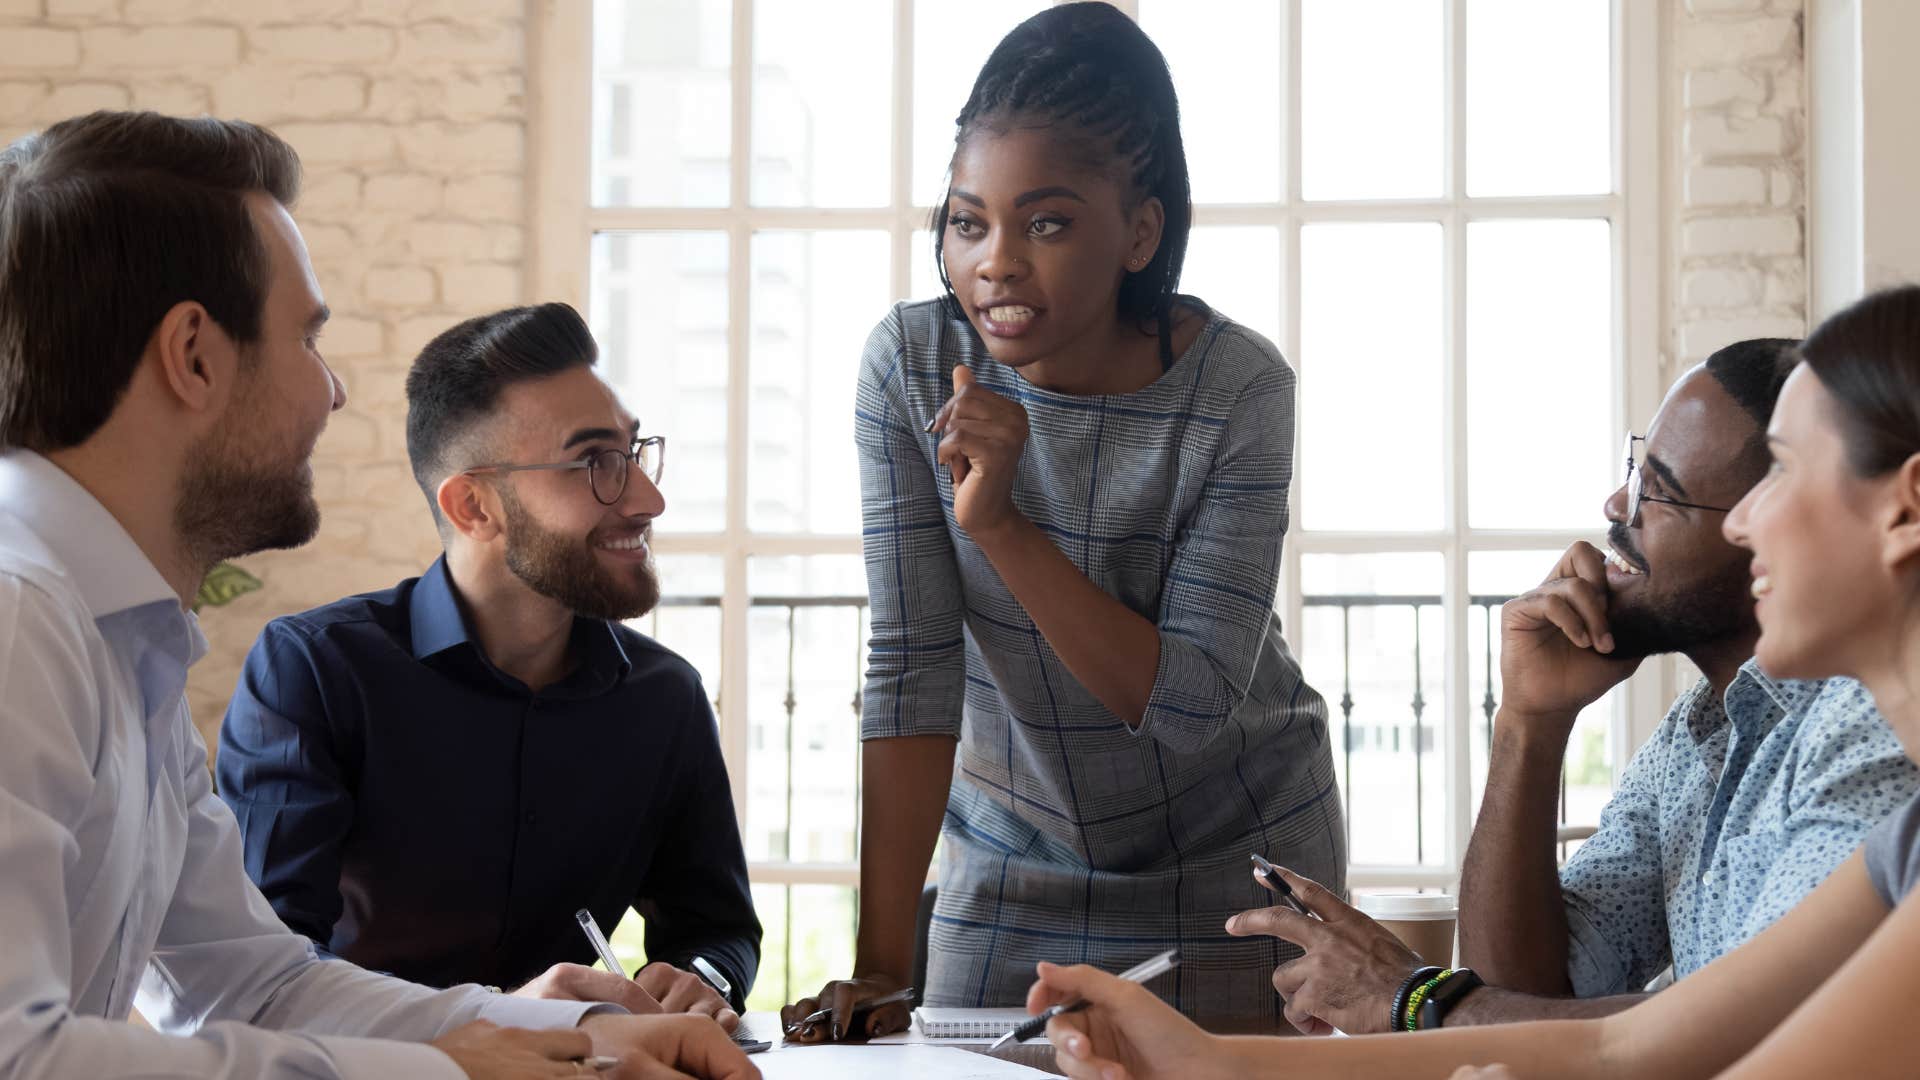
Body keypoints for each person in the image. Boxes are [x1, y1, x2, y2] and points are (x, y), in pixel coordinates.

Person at [0, 110, 754, 1080]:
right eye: (306, 338)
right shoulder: (21, 624)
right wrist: (456, 1074)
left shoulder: (119, 637)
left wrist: (565, 1037)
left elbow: (251, 982)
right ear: (194, 355)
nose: (332, 392)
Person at [1027, 283, 1920, 1079]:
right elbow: (1630, 1042)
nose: (1750, 519)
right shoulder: (1780, 776)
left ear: (1906, 509)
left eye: (1788, 471)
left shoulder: (1869, 753)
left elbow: (1723, 1051)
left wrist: (1412, 999)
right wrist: (1207, 1061)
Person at [783, 1, 1344, 1039]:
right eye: (967, 220)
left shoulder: (1238, 388)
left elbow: (1185, 705)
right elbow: (911, 664)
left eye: (1045, 222)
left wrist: (1001, 527)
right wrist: (877, 963)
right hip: (1011, 854)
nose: (995, 260)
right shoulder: (907, 367)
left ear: (1140, 231)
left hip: (1239, 854)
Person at [1223, 341, 1917, 1035]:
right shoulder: (1699, 729)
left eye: (1660, 490)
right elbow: (1532, 996)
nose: (1618, 504)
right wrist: (1529, 722)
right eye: (1633, 470)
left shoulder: (1874, 725)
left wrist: (1415, 996)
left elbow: (1759, 1031)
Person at [216, 303, 759, 1030]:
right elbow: (266, 968)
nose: (646, 498)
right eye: (595, 461)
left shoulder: (665, 698)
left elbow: (718, 929)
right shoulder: (315, 672)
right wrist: (496, 1018)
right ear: (474, 506)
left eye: (633, 452)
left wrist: (701, 979)